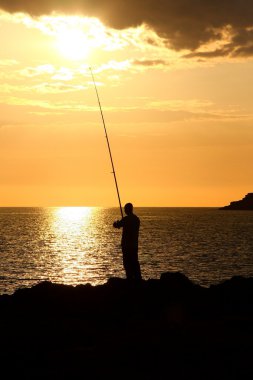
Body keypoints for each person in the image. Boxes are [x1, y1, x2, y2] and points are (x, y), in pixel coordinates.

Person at [113, 203, 142, 281]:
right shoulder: (136, 219)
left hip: (126, 245)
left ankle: (130, 278)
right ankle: (138, 278)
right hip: (134, 245)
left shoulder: (126, 219)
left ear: (127, 209)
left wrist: (116, 222)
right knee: (135, 262)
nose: (124, 210)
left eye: (125, 209)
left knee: (127, 262)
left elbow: (116, 225)